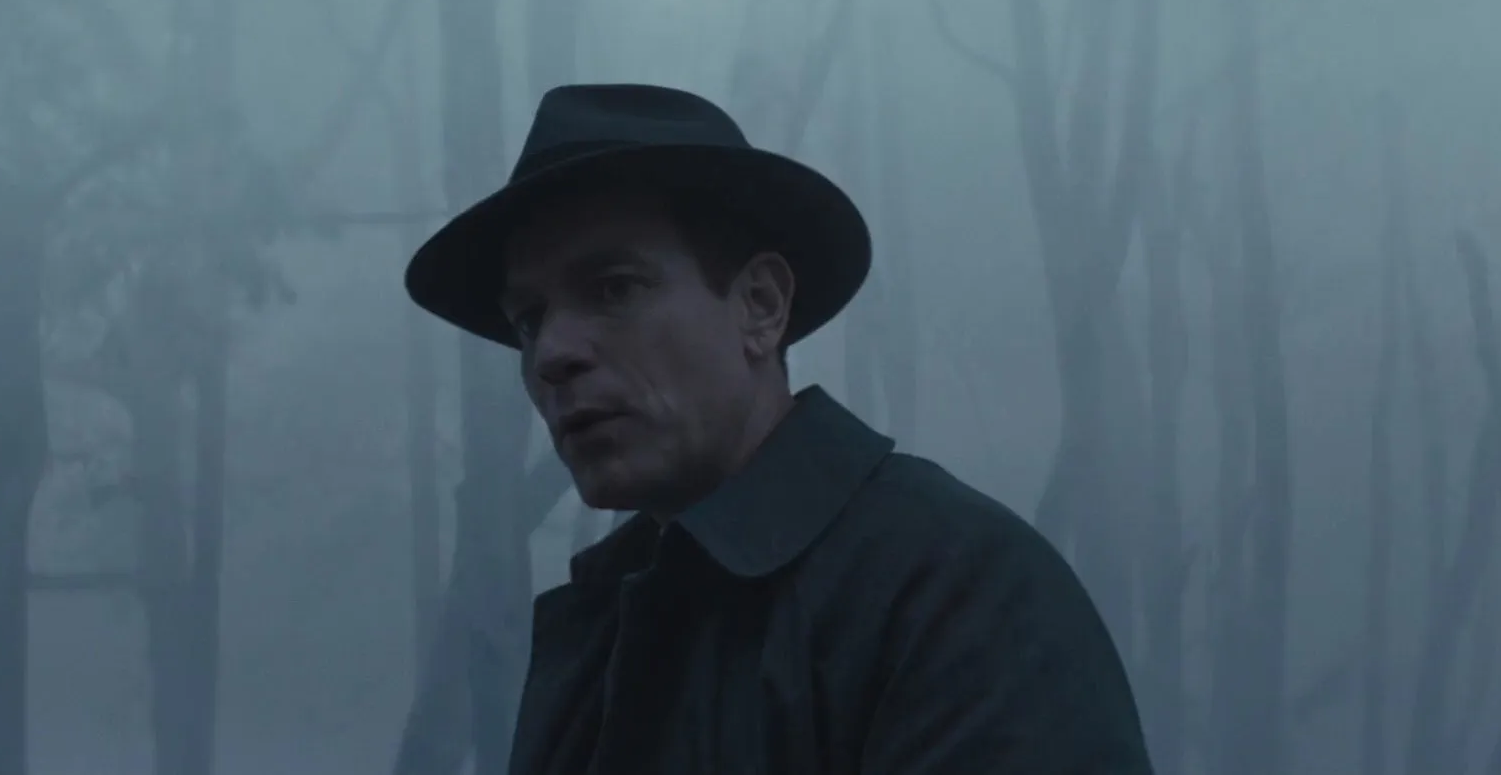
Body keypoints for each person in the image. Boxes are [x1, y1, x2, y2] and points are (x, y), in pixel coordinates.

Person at [404, 83, 1154, 775]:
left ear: (760, 305)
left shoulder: (955, 594)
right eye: (528, 320)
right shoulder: (600, 625)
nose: (552, 352)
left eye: (612, 288)